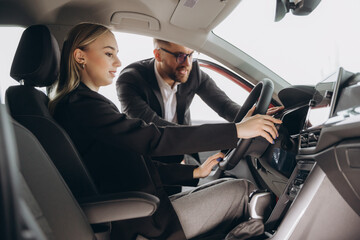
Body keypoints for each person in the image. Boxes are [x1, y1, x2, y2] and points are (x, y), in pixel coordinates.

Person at [49, 23, 282, 240]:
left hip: (145, 205)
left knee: (228, 186)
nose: (118, 62)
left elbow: (129, 163)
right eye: (109, 53)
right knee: (244, 190)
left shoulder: (81, 104)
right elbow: (153, 137)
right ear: (80, 56)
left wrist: (195, 172)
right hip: (143, 219)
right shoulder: (85, 106)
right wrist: (237, 130)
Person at [116, 39, 283, 164]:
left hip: (183, 151)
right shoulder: (131, 80)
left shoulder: (194, 73)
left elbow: (224, 106)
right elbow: (158, 129)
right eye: (180, 56)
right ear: (158, 55)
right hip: (147, 161)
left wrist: (251, 116)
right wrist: (235, 130)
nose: (187, 64)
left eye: (190, 55)